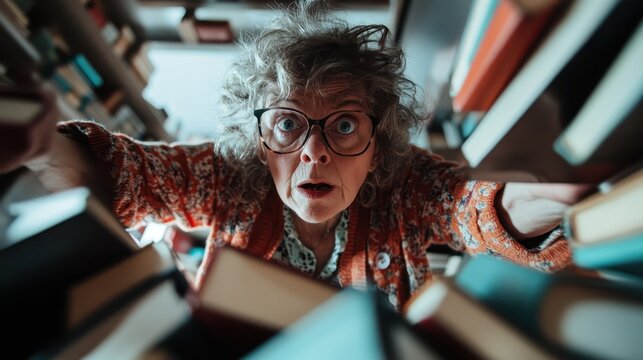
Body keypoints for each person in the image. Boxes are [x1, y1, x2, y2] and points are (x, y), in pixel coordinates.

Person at [24, 1, 587, 310]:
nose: (314, 154)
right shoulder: (223, 179)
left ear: (379, 140)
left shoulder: (406, 185)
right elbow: (123, 173)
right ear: (259, 138)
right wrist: (38, 143)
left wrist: (564, 202)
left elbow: (470, 208)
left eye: (343, 124)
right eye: (289, 125)